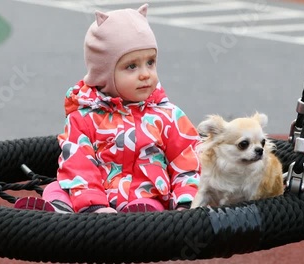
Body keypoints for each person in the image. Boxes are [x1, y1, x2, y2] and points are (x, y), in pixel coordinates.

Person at [15, 3, 201, 213]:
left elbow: (188, 161)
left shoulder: (168, 116)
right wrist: (94, 204)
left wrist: (186, 201)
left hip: (145, 197)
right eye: (131, 66)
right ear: (104, 74)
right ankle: (52, 214)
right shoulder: (84, 118)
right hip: (90, 200)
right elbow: (78, 164)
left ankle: (139, 219)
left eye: (150, 62)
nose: (145, 74)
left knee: (150, 206)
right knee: (57, 187)